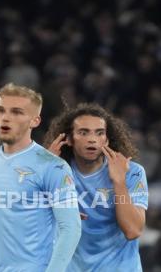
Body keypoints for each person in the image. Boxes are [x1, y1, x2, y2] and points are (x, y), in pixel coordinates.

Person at [0, 83, 81, 272]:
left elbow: (71, 229)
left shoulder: (53, 166)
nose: (5, 118)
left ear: (35, 121)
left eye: (17, 112)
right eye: (1, 110)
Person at [43, 102, 149, 271]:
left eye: (99, 133)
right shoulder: (55, 173)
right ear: (69, 139)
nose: (92, 139)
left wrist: (119, 181)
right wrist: (44, 173)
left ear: (106, 139)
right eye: (83, 132)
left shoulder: (131, 172)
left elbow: (133, 231)